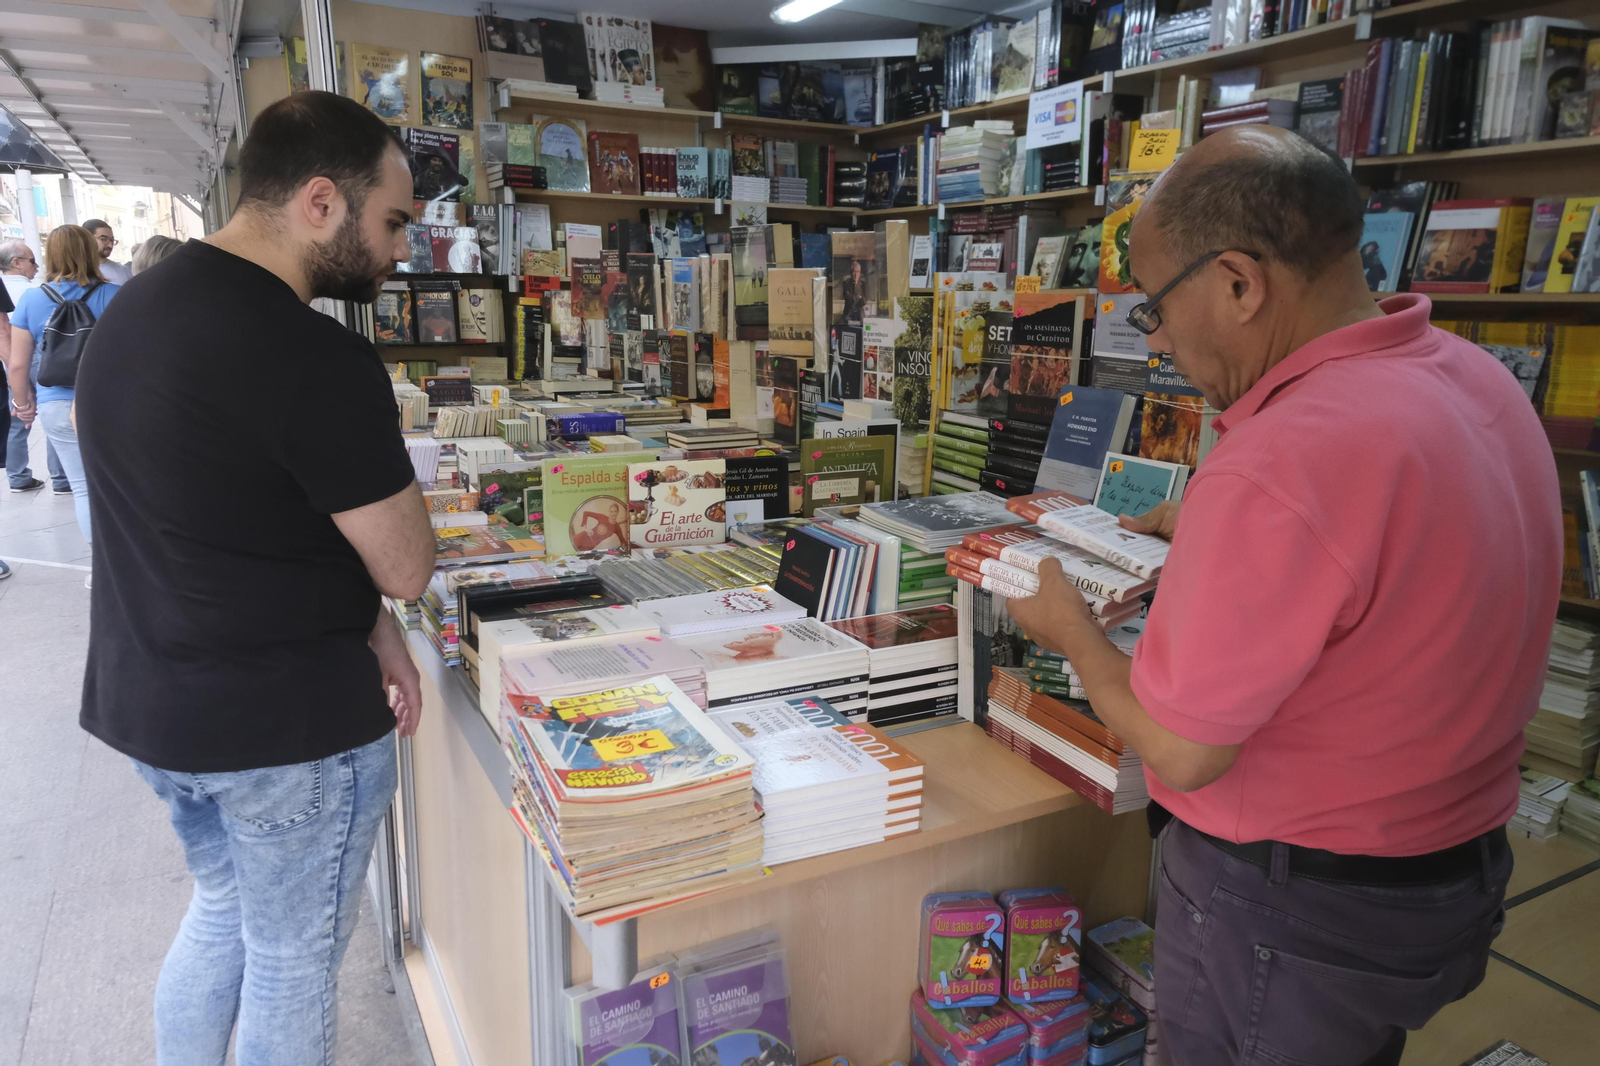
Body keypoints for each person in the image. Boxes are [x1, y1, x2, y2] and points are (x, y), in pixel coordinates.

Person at [1006, 126, 1560, 1066]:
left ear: (1238, 282)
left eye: (1153, 309)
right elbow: (1409, 559)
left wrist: (1073, 637)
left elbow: (1182, 752)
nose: (1162, 339)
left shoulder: (1284, 454)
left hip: (1295, 912)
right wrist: (1217, 529)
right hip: (1451, 876)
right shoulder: (1471, 376)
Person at [74, 90, 433, 1065]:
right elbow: (406, 563)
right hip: (286, 736)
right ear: (321, 200)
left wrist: (373, 627)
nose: (401, 250)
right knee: (291, 958)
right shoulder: (312, 354)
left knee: (226, 913)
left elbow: (228, 519)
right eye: (393, 220)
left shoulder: (135, 309)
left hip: (160, 708)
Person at [6, 225, 119, 554]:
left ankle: (100, 568)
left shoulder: (31, 299)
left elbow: (17, 363)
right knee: (116, 486)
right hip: (106, 403)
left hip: (56, 402)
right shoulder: (114, 295)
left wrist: (21, 402)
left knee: (83, 487)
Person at [1, 238, 70, 495]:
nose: (36, 265)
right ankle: (61, 478)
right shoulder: (34, 292)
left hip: (9, 361)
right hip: (39, 355)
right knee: (52, 408)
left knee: (19, 414)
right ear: (16, 263)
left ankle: (17, 476)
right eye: (31, 260)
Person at [81, 218, 132, 284]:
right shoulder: (76, 272)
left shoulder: (124, 271)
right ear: (87, 239)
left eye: (112, 240)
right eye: (104, 239)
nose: (110, 245)